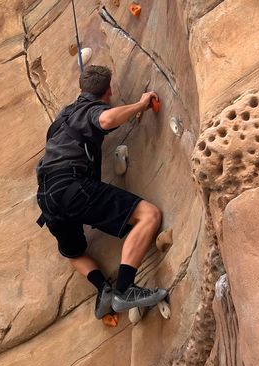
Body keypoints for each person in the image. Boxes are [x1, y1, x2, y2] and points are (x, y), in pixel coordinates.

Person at [36, 64, 168, 318]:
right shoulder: (91, 111)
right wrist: (140, 105)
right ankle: (124, 289)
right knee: (149, 216)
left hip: (47, 198)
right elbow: (105, 120)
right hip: (71, 186)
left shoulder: (62, 117)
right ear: (108, 91)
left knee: (73, 252)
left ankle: (103, 291)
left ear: (81, 88)